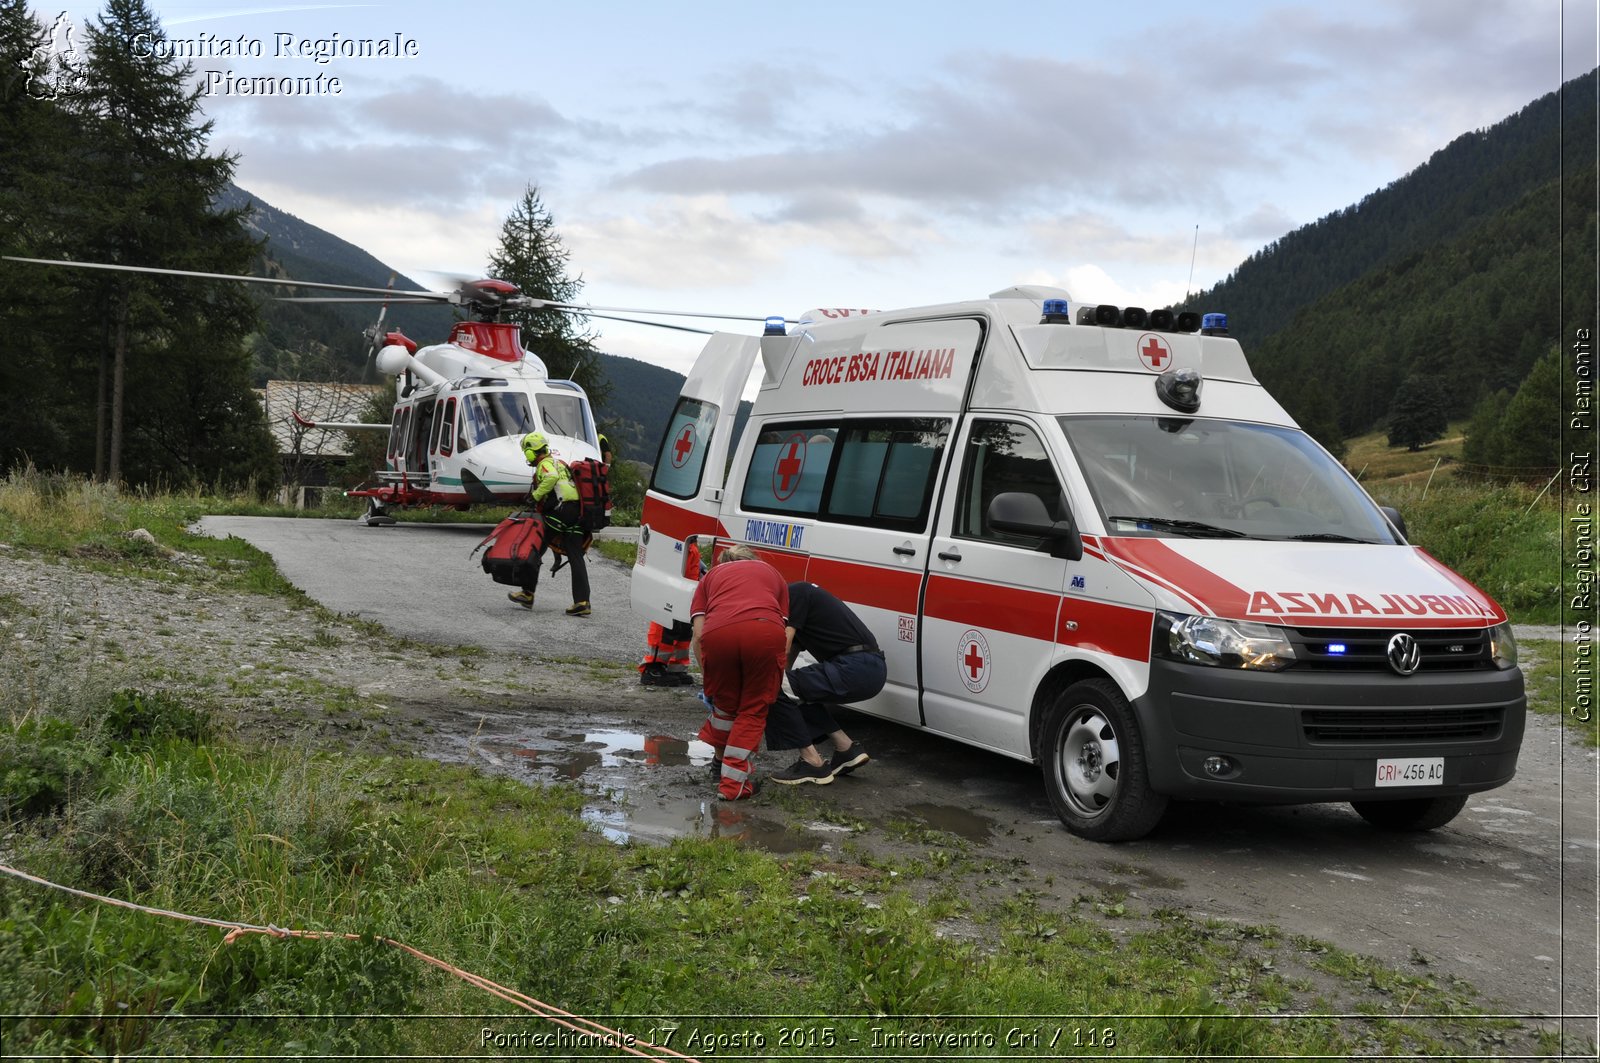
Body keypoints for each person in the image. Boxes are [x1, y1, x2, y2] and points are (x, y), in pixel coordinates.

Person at [691, 543, 788, 801]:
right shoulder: (772, 573)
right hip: (765, 632)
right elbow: (783, 628)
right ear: (752, 559)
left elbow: (699, 634)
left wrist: (708, 676)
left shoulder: (710, 577)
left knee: (725, 705)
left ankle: (719, 766)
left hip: (718, 635)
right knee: (753, 709)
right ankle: (732, 786)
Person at [766, 581, 883, 785]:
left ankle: (812, 762)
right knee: (789, 688)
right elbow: (787, 663)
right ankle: (846, 749)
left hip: (855, 667)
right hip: (866, 669)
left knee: (768, 685)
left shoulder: (794, 594)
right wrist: (782, 690)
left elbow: (782, 648)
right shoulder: (802, 603)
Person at [509, 432, 591, 617]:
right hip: (577, 513)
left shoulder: (545, 465)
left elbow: (551, 478)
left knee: (534, 549)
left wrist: (535, 496)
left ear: (532, 452)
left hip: (559, 512)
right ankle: (582, 602)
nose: (526, 456)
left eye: (526, 452)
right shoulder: (559, 462)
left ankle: (527, 593)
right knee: (576, 556)